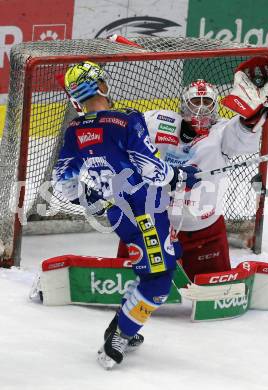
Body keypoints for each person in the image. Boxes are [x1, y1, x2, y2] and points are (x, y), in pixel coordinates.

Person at [53, 60, 200, 368]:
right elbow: (153, 169)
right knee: (159, 281)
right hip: (145, 211)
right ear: (102, 86)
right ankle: (117, 338)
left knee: (151, 269)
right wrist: (179, 177)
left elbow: (64, 187)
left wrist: (92, 194)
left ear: (75, 98)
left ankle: (126, 326)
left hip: (118, 217)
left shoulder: (74, 131)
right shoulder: (126, 120)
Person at [117, 56, 268, 281]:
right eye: (196, 102)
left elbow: (244, 131)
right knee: (126, 279)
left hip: (204, 228)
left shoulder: (223, 133)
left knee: (213, 283)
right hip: (153, 222)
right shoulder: (159, 121)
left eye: (208, 103)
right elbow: (127, 128)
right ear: (184, 105)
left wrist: (254, 116)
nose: (201, 110)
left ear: (216, 107)